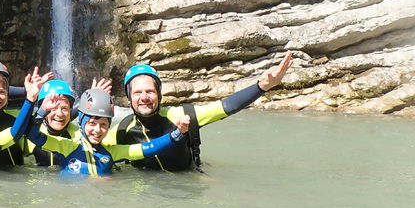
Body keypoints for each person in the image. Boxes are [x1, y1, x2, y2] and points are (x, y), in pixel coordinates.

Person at [106, 51, 295, 171]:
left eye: (150, 91)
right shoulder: (121, 130)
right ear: (129, 99)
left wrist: (262, 86)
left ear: (159, 95)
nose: (144, 97)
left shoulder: (181, 115)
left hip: (188, 189)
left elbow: (226, 107)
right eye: (137, 92)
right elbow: (91, 148)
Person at [26, 88, 190, 177]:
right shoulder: (66, 147)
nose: (97, 130)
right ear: (81, 123)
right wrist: (42, 111)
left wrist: (177, 134)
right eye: (92, 123)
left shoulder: (113, 152)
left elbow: (148, 148)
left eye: (103, 125)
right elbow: (33, 135)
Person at [27, 78, 78, 167]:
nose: (59, 114)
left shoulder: (79, 135)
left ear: (70, 109)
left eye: (64, 108)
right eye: (53, 108)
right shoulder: (32, 132)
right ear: (43, 109)